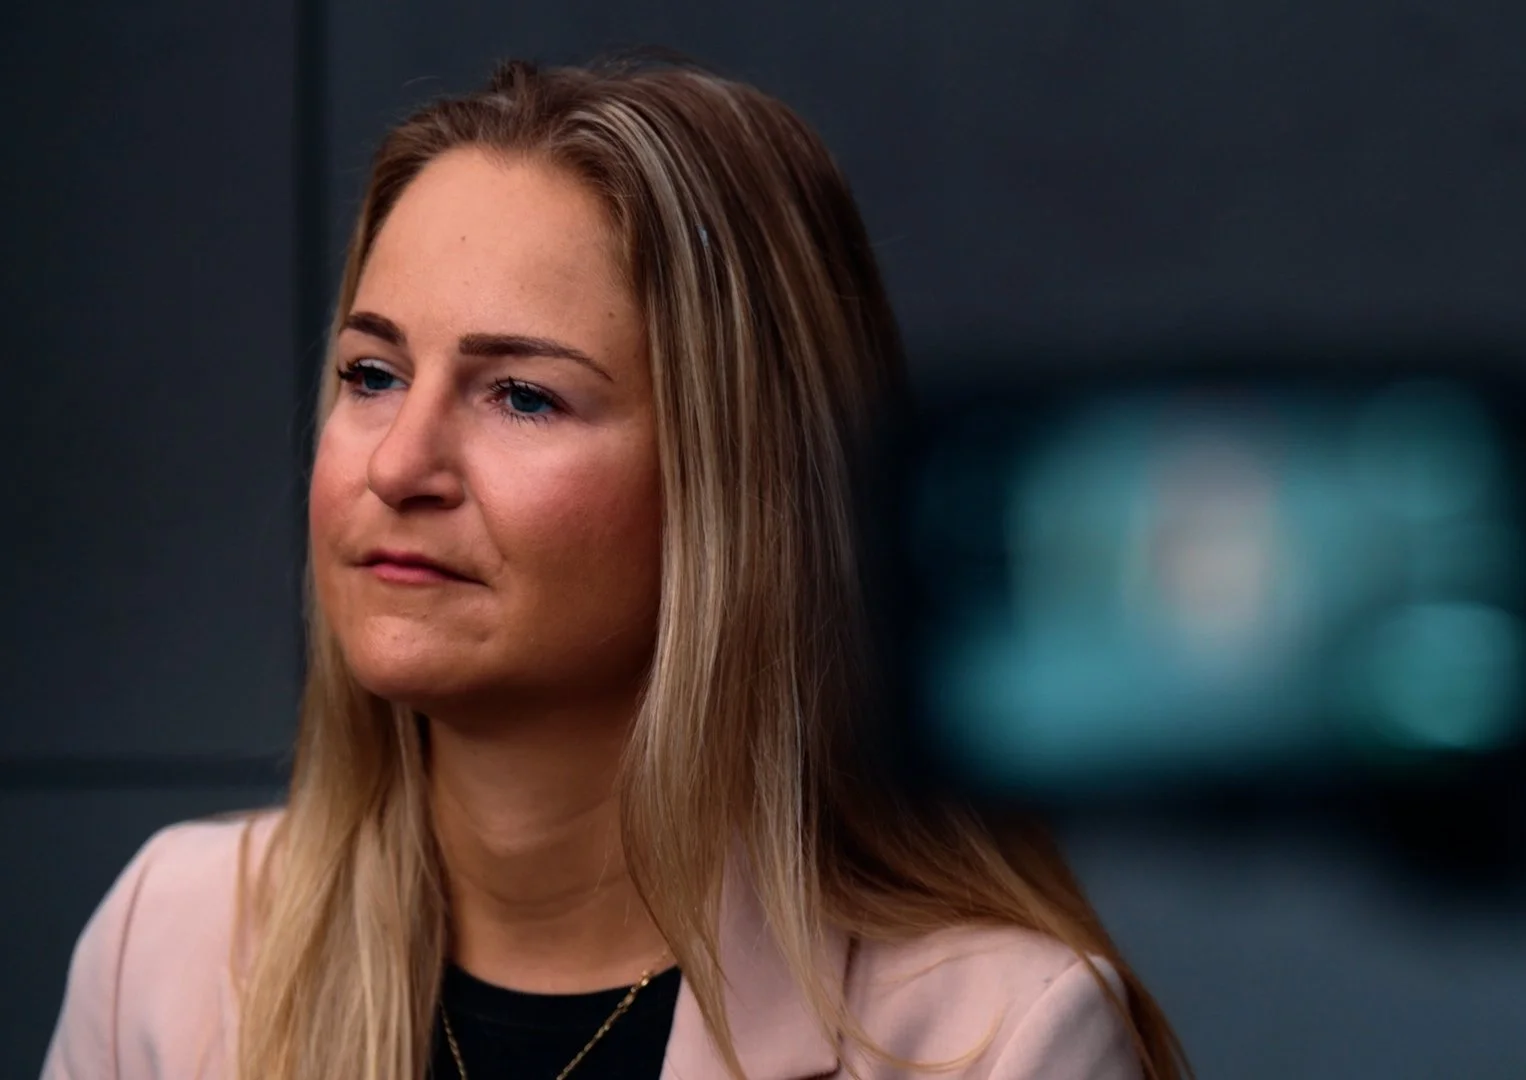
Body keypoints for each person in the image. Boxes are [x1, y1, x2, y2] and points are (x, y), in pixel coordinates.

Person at [39, 56, 1189, 1080]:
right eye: (372, 373)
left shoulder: (1001, 1040)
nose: (400, 465)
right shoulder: (168, 944)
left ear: (739, 482)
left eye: (523, 395)